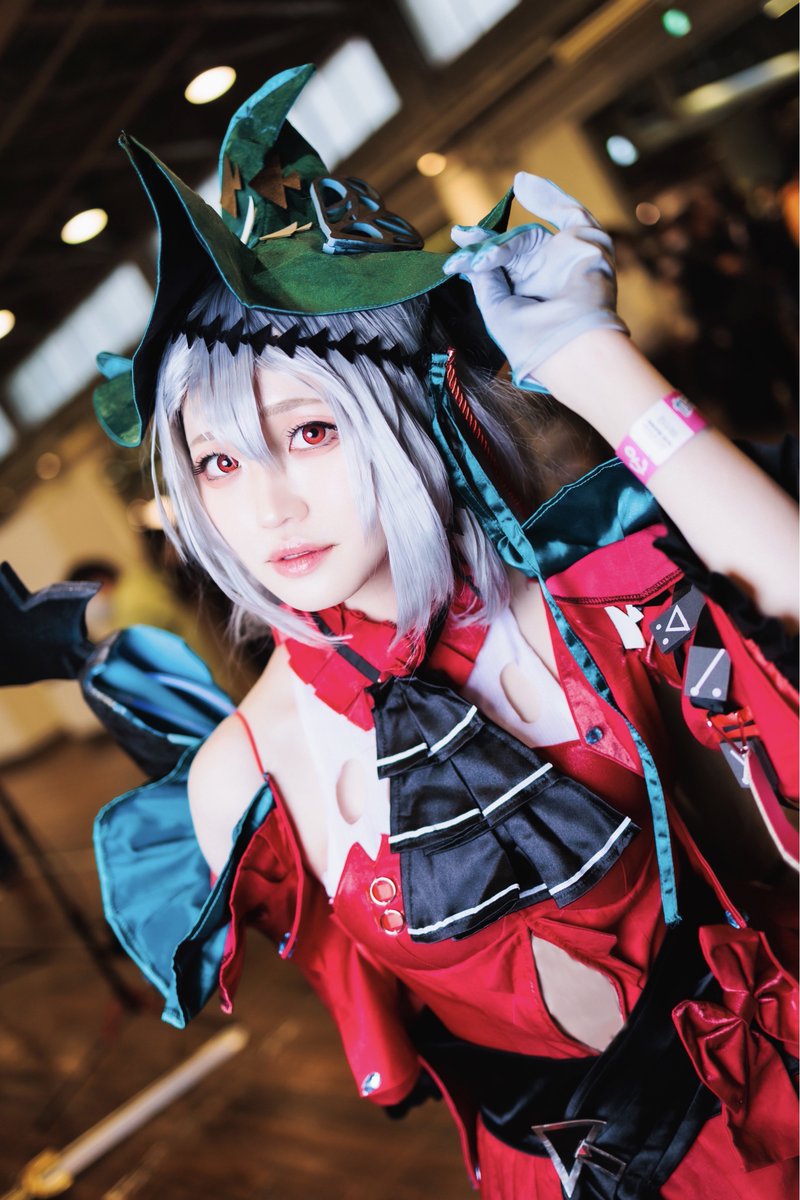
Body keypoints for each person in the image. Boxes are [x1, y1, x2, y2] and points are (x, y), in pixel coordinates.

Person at [71, 65, 799, 1198]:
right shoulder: (236, 784)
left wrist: (588, 356)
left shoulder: (576, 599)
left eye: (309, 432)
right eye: (216, 461)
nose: (266, 507)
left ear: (404, 417)